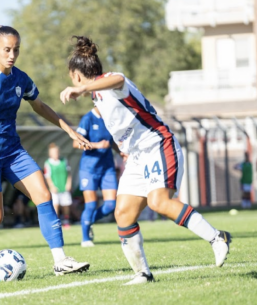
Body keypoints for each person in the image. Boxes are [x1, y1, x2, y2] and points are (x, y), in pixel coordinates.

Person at [59, 36, 232, 285]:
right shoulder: (97, 97)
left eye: (72, 79)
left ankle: (217, 238)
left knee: (159, 202)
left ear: (76, 76)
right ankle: (143, 273)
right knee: (123, 214)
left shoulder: (109, 82)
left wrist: (83, 88)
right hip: (138, 158)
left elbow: (119, 79)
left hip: (158, 145)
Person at [0, 25, 91, 282]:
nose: (12, 55)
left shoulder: (20, 79)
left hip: (13, 153)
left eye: (16, 50)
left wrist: (69, 130)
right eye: (7, 50)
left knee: (44, 195)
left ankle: (61, 260)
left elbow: (40, 106)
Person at [74, 107, 118, 247]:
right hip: (89, 169)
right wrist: (96, 145)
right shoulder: (87, 119)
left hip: (107, 168)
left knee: (111, 205)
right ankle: (85, 238)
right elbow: (76, 143)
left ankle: (89, 221)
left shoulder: (109, 118)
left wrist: (122, 152)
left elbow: (111, 142)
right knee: (91, 204)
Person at [44, 143, 73, 229]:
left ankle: (66, 220)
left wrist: (69, 183)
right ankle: (56, 222)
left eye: (56, 152)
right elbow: (47, 176)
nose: (55, 154)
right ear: (50, 154)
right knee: (55, 205)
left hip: (64, 186)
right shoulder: (48, 163)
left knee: (66, 205)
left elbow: (69, 173)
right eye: (53, 152)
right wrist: (52, 186)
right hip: (55, 188)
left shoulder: (64, 161)